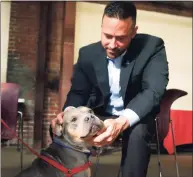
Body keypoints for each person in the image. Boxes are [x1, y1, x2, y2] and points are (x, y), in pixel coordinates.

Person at [50, 2, 169, 177]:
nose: (112, 44)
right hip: (101, 113)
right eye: (107, 36)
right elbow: (79, 93)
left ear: (133, 32)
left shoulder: (152, 47)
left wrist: (122, 121)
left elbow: (153, 91)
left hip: (134, 114)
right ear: (101, 27)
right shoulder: (87, 54)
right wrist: (68, 112)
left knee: (138, 131)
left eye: (121, 38)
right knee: (62, 126)